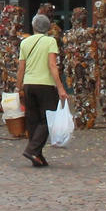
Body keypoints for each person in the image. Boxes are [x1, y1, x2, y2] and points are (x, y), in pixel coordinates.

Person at [19, 12, 69, 168]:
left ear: (33, 26)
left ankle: (37, 156)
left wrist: (17, 86)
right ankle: (33, 150)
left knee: (32, 119)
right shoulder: (50, 41)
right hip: (45, 84)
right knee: (48, 118)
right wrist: (60, 88)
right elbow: (52, 66)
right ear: (48, 27)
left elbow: (21, 68)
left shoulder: (25, 43)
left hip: (29, 84)